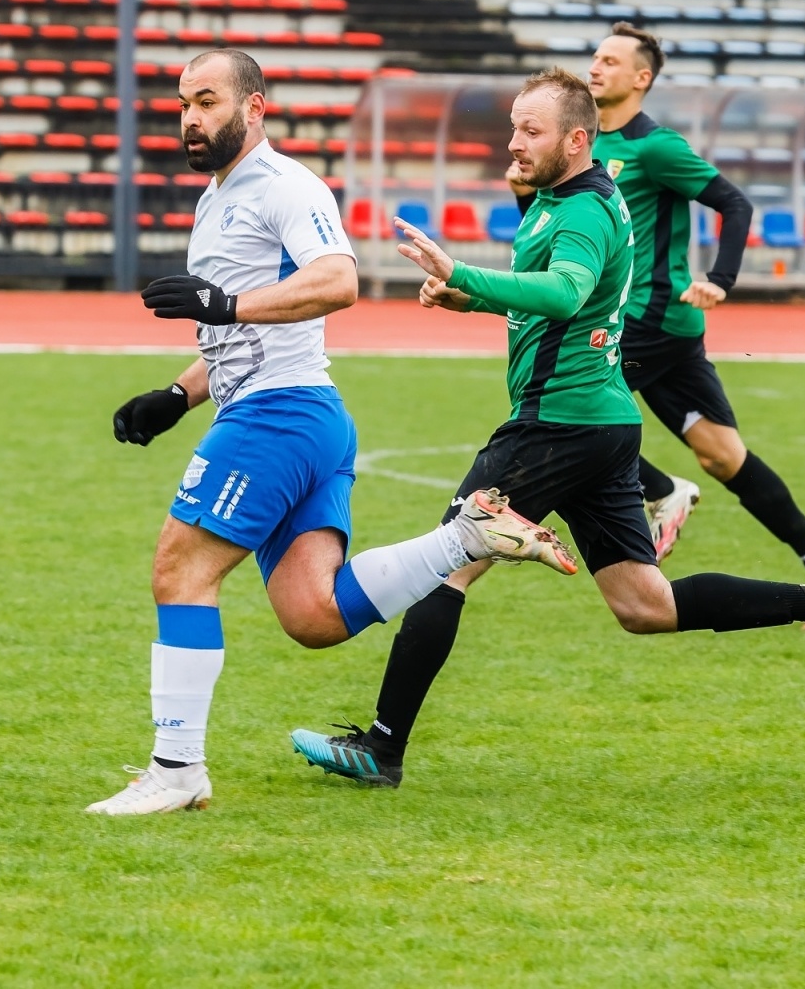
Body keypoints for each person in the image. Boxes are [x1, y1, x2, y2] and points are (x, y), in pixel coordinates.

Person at [289, 69, 805, 788]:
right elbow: (561, 300)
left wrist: (466, 276)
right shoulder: (560, 199)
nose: (514, 142)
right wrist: (469, 301)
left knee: (448, 563)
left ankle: (382, 749)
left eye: (531, 130)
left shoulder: (583, 210)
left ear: (575, 139)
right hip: (600, 424)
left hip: (557, 425)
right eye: (513, 126)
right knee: (644, 604)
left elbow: (569, 293)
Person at [86, 50, 579, 816]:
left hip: (277, 416)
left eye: (208, 101)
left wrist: (221, 305)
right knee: (313, 615)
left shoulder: (286, 185)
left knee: (179, 571)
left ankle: (176, 771)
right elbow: (246, 330)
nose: (191, 118)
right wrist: (177, 395)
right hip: (302, 415)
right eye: (183, 104)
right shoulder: (216, 199)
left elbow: (338, 278)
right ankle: (466, 539)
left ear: (254, 108)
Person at [584, 23, 805, 578]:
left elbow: (735, 203)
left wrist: (721, 279)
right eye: (596, 56)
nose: (595, 66)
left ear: (641, 79)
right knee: (723, 456)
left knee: (573, 407)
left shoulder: (655, 146)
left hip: (651, 315)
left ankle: (663, 491)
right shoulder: (587, 144)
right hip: (657, 325)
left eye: (610, 61)